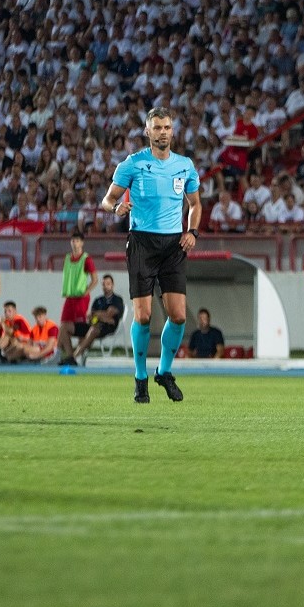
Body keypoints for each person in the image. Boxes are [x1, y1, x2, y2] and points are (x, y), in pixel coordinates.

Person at [99, 106, 202, 404]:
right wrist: (116, 208)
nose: (162, 132)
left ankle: (164, 372)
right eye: (157, 127)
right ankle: (140, 377)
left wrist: (192, 232)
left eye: (167, 127)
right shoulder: (132, 164)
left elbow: (195, 204)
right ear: (147, 131)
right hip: (142, 242)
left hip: (173, 245)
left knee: (179, 316)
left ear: (172, 131)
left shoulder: (184, 165)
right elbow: (107, 199)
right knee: (143, 316)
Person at [55, 232, 97, 366]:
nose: (75, 243)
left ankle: (79, 355)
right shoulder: (67, 258)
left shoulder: (86, 259)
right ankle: (69, 356)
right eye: (73, 240)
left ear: (82, 243)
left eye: (77, 241)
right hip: (69, 297)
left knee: (80, 328)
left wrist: (86, 292)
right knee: (63, 326)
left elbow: (95, 279)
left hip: (80, 299)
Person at [63, 274, 124, 364]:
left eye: (108, 284)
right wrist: (102, 315)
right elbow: (91, 316)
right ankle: (70, 357)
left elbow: (110, 314)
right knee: (64, 326)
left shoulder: (117, 299)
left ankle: (74, 357)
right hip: (93, 324)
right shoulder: (98, 300)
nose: (105, 286)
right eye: (103, 284)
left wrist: (98, 314)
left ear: (112, 285)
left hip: (107, 327)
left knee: (93, 330)